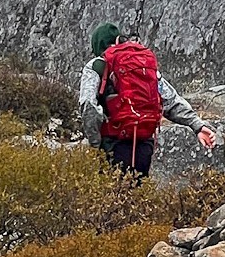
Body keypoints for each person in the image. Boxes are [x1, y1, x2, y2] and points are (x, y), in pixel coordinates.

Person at [78, 22, 216, 174]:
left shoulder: (97, 65)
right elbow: (170, 100)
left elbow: (88, 104)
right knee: (138, 195)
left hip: (113, 144)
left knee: (112, 195)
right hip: (144, 143)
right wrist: (197, 126)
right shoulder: (142, 63)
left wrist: (95, 145)